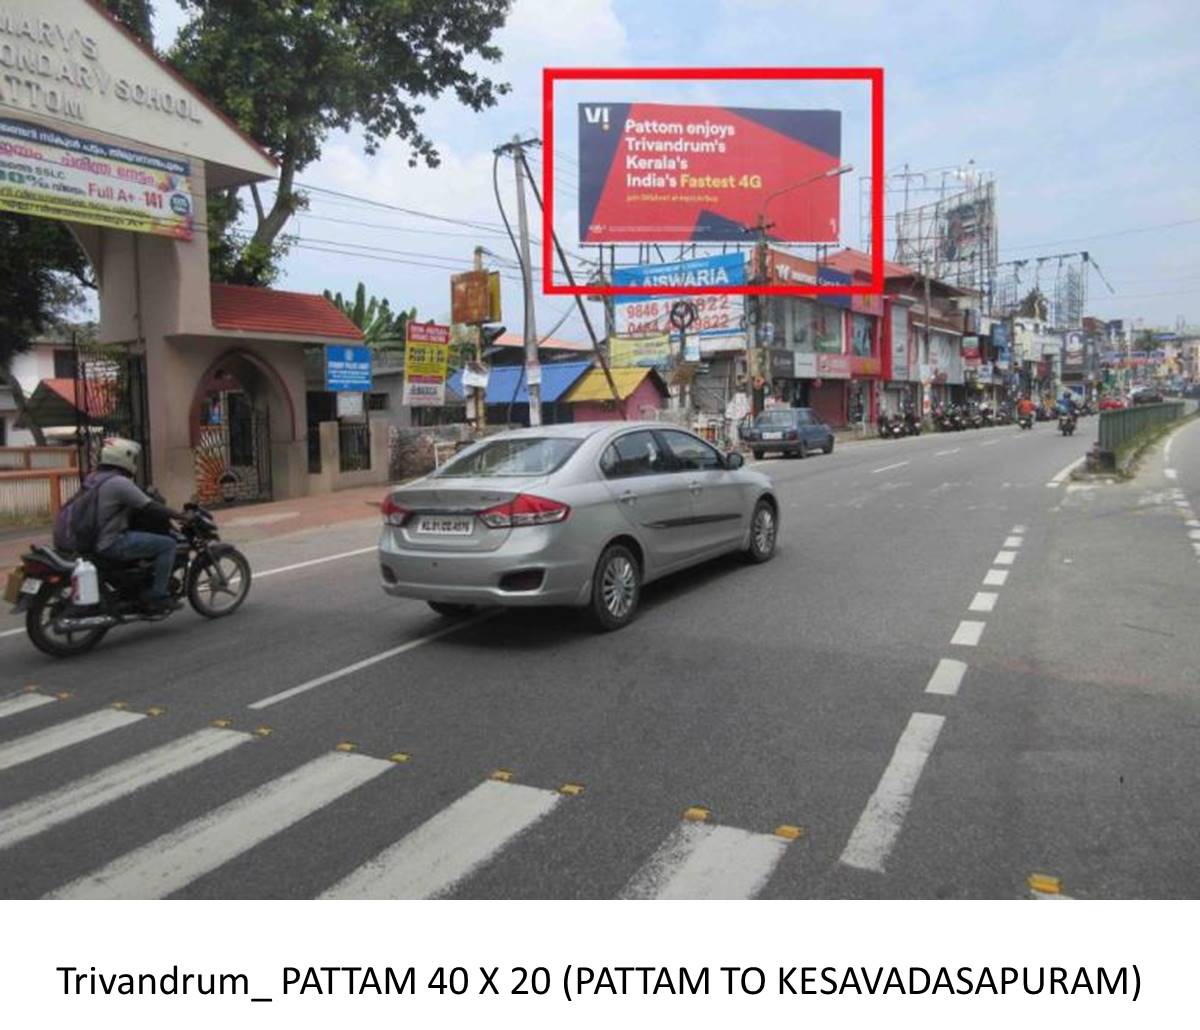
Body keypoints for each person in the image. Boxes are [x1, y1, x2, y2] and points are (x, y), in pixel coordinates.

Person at [92, 437, 190, 613]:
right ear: (124, 457)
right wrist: (181, 516)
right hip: (111, 542)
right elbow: (150, 506)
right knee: (167, 544)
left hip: (94, 539)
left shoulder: (95, 478)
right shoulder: (119, 483)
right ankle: (158, 596)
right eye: (133, 458)